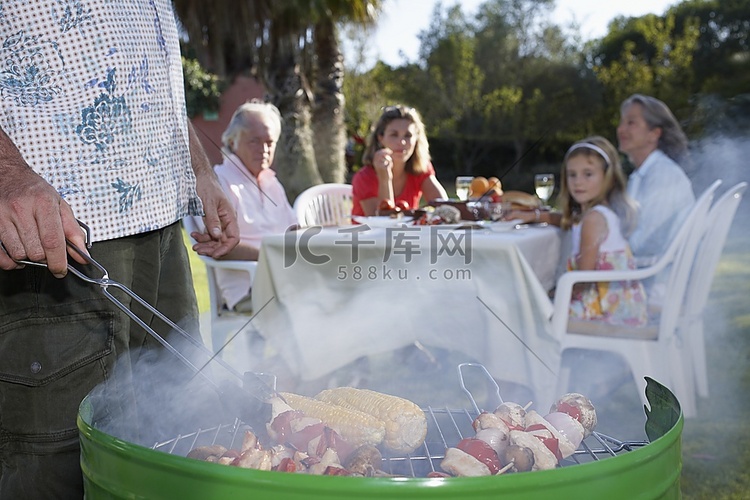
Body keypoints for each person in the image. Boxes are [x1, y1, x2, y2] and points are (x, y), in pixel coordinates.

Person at [0, 2, 239, 498]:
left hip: (162, 224)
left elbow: (143, 67)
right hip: (56, 233)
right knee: (61, 470)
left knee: (178, 444)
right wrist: (6, 174)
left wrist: (199, 169)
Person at [190, 100, 297, 313]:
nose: (264, 150)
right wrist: (271, 256)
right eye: (254, 141)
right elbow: (219, 247)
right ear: (232, 141)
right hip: (249, 287)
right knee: (316, 299)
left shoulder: (271, 182)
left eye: (269, 142)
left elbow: (293, 230)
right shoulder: (221, 182)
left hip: (284, 280)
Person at [559, 136, 647, 325]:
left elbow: (582, 280)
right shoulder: (606, 213)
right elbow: (567, 221)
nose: (577, 182)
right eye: (571, 174)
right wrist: (537, 216)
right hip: (625, 309)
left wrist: (556, 295)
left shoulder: (593, 219)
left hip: (602, 313)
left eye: (588, 174)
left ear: (608, 177)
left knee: (532, 311)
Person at [617, 94, 695, 264]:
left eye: (631, 123)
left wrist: (606, 249)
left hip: (653, 282)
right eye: (622, 122)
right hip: (640, 274)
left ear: (654, 133)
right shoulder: (642, 175)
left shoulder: (664, 176)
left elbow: (648, 243)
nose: (621, 129)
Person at [351, 105, 447, 216]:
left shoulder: (421, 169)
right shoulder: (364, 178)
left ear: (416, 139)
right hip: (365, 233)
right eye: (394, 135)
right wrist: (385, 179)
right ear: (381, 138)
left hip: (407, 233)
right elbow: (383, 223)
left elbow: (445, 208)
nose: (401, 142)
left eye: (408, 135)